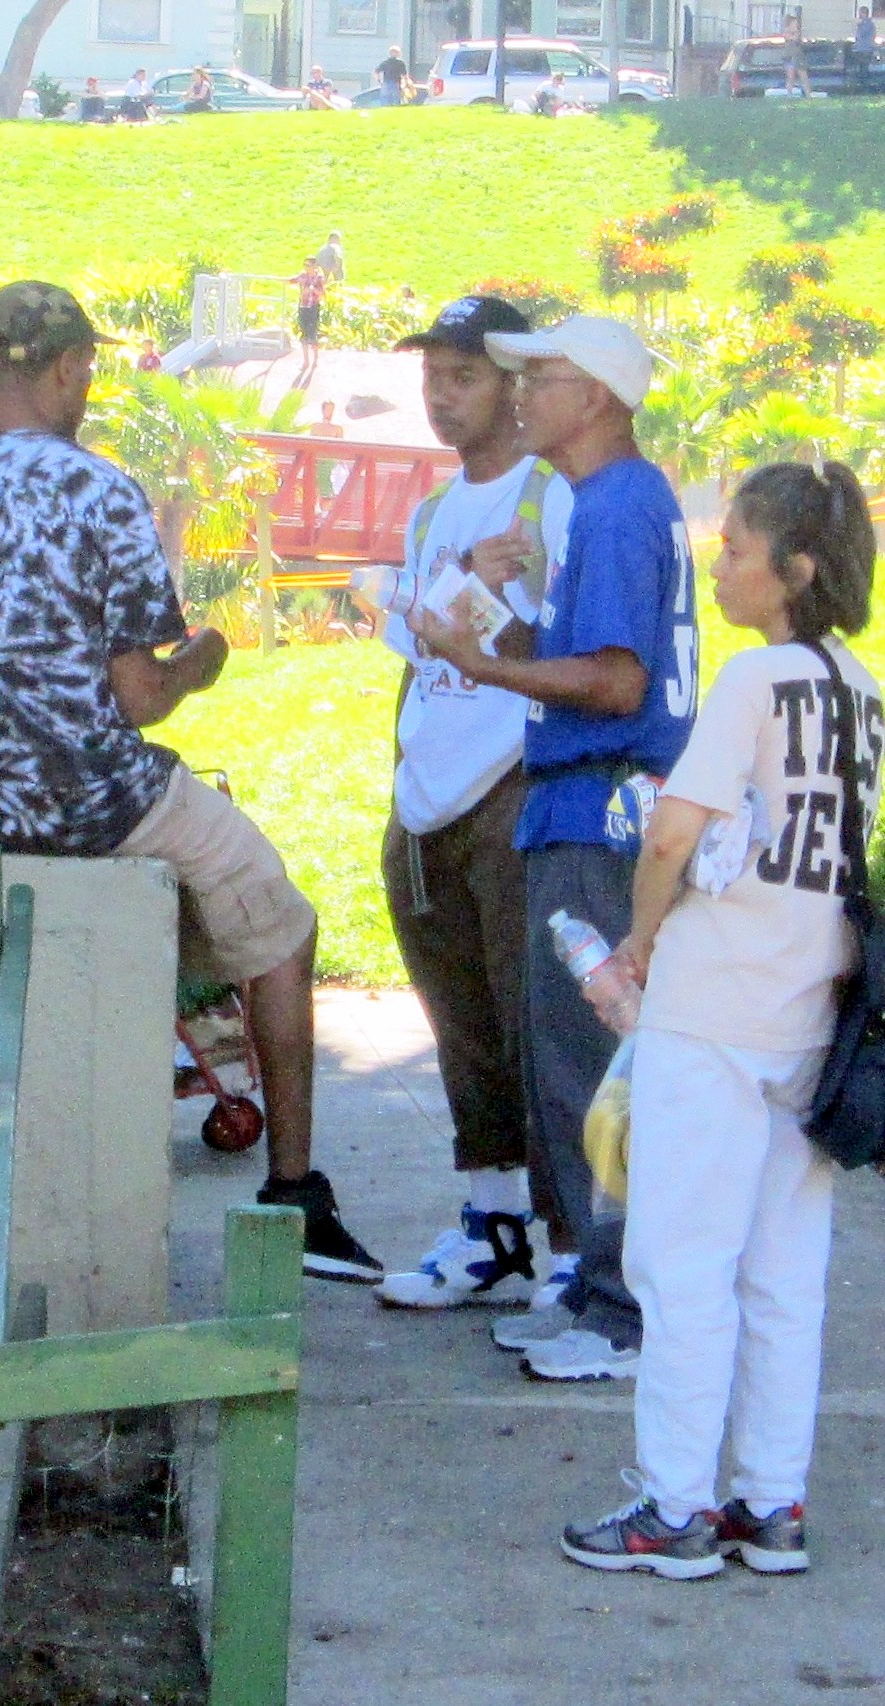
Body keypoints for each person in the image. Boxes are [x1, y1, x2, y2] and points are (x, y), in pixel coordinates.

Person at [0, 280, 380, 1284]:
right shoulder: (100, 491)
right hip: (91, 796)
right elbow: (140, 697)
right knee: (280, 920)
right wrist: (206, 658)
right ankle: (295, 1188)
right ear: (66, 371)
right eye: (88, 374)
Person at [561, 460, 878, 1579]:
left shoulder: (752, 679)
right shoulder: (857, 686)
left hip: (712, 1005)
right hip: (811, 1013)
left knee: (680, 1259)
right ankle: (769, 1501)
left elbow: (671, 834)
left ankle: (674, 1505)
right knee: (784, 1269)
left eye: (736, 548)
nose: (719, 562)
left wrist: (640, 944)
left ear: (791, 570)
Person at [413, 315, 698, 1382]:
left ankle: (620, 1310)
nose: (520, 391)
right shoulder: (616, 503)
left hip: (595, 817)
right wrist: (502, 637)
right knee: (564, 1067)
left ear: (600, 396)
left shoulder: (618, 506)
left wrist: (485, 672)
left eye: (543, 376)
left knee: (589, 1074)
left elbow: (617, 684)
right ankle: (589, 1285)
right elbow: (589, 659)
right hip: (583, 812)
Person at [372, 297, 575, 1310]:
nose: (440, 397)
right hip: (428, 796)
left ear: (513, 382)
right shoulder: (433, 510)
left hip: (511, 784)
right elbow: (419, 640)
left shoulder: (551, 495)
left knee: (538, 1019)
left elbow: (559, 649)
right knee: (459, 1020)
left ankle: (575, 1240)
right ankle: (492, 1220)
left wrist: (461, 606)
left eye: (462, 377)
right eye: (431, 378)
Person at [289, 256, 327, 379]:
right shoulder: (303, 276)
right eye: (305, 265)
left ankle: (315, 359)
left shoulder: (319, 278)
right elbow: (293, 280)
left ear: (314, 266)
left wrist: (313, 290)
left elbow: (323, 295)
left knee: (313, 333)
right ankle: (306, 361)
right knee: (304, 333)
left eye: (308, 265)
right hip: (303, 307)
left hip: (313, 308)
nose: (306, 268)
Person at [783, 9, 812, 95]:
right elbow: (791, 38)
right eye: (794, 23)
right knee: (790, 77)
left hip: (798, 57)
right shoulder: (787, 31)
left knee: (803, 76)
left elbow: (798, 40)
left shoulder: (797, 32)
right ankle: (789, 93)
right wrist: (794, 33)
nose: (796, 24)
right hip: (790, 56)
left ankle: (808, 94)